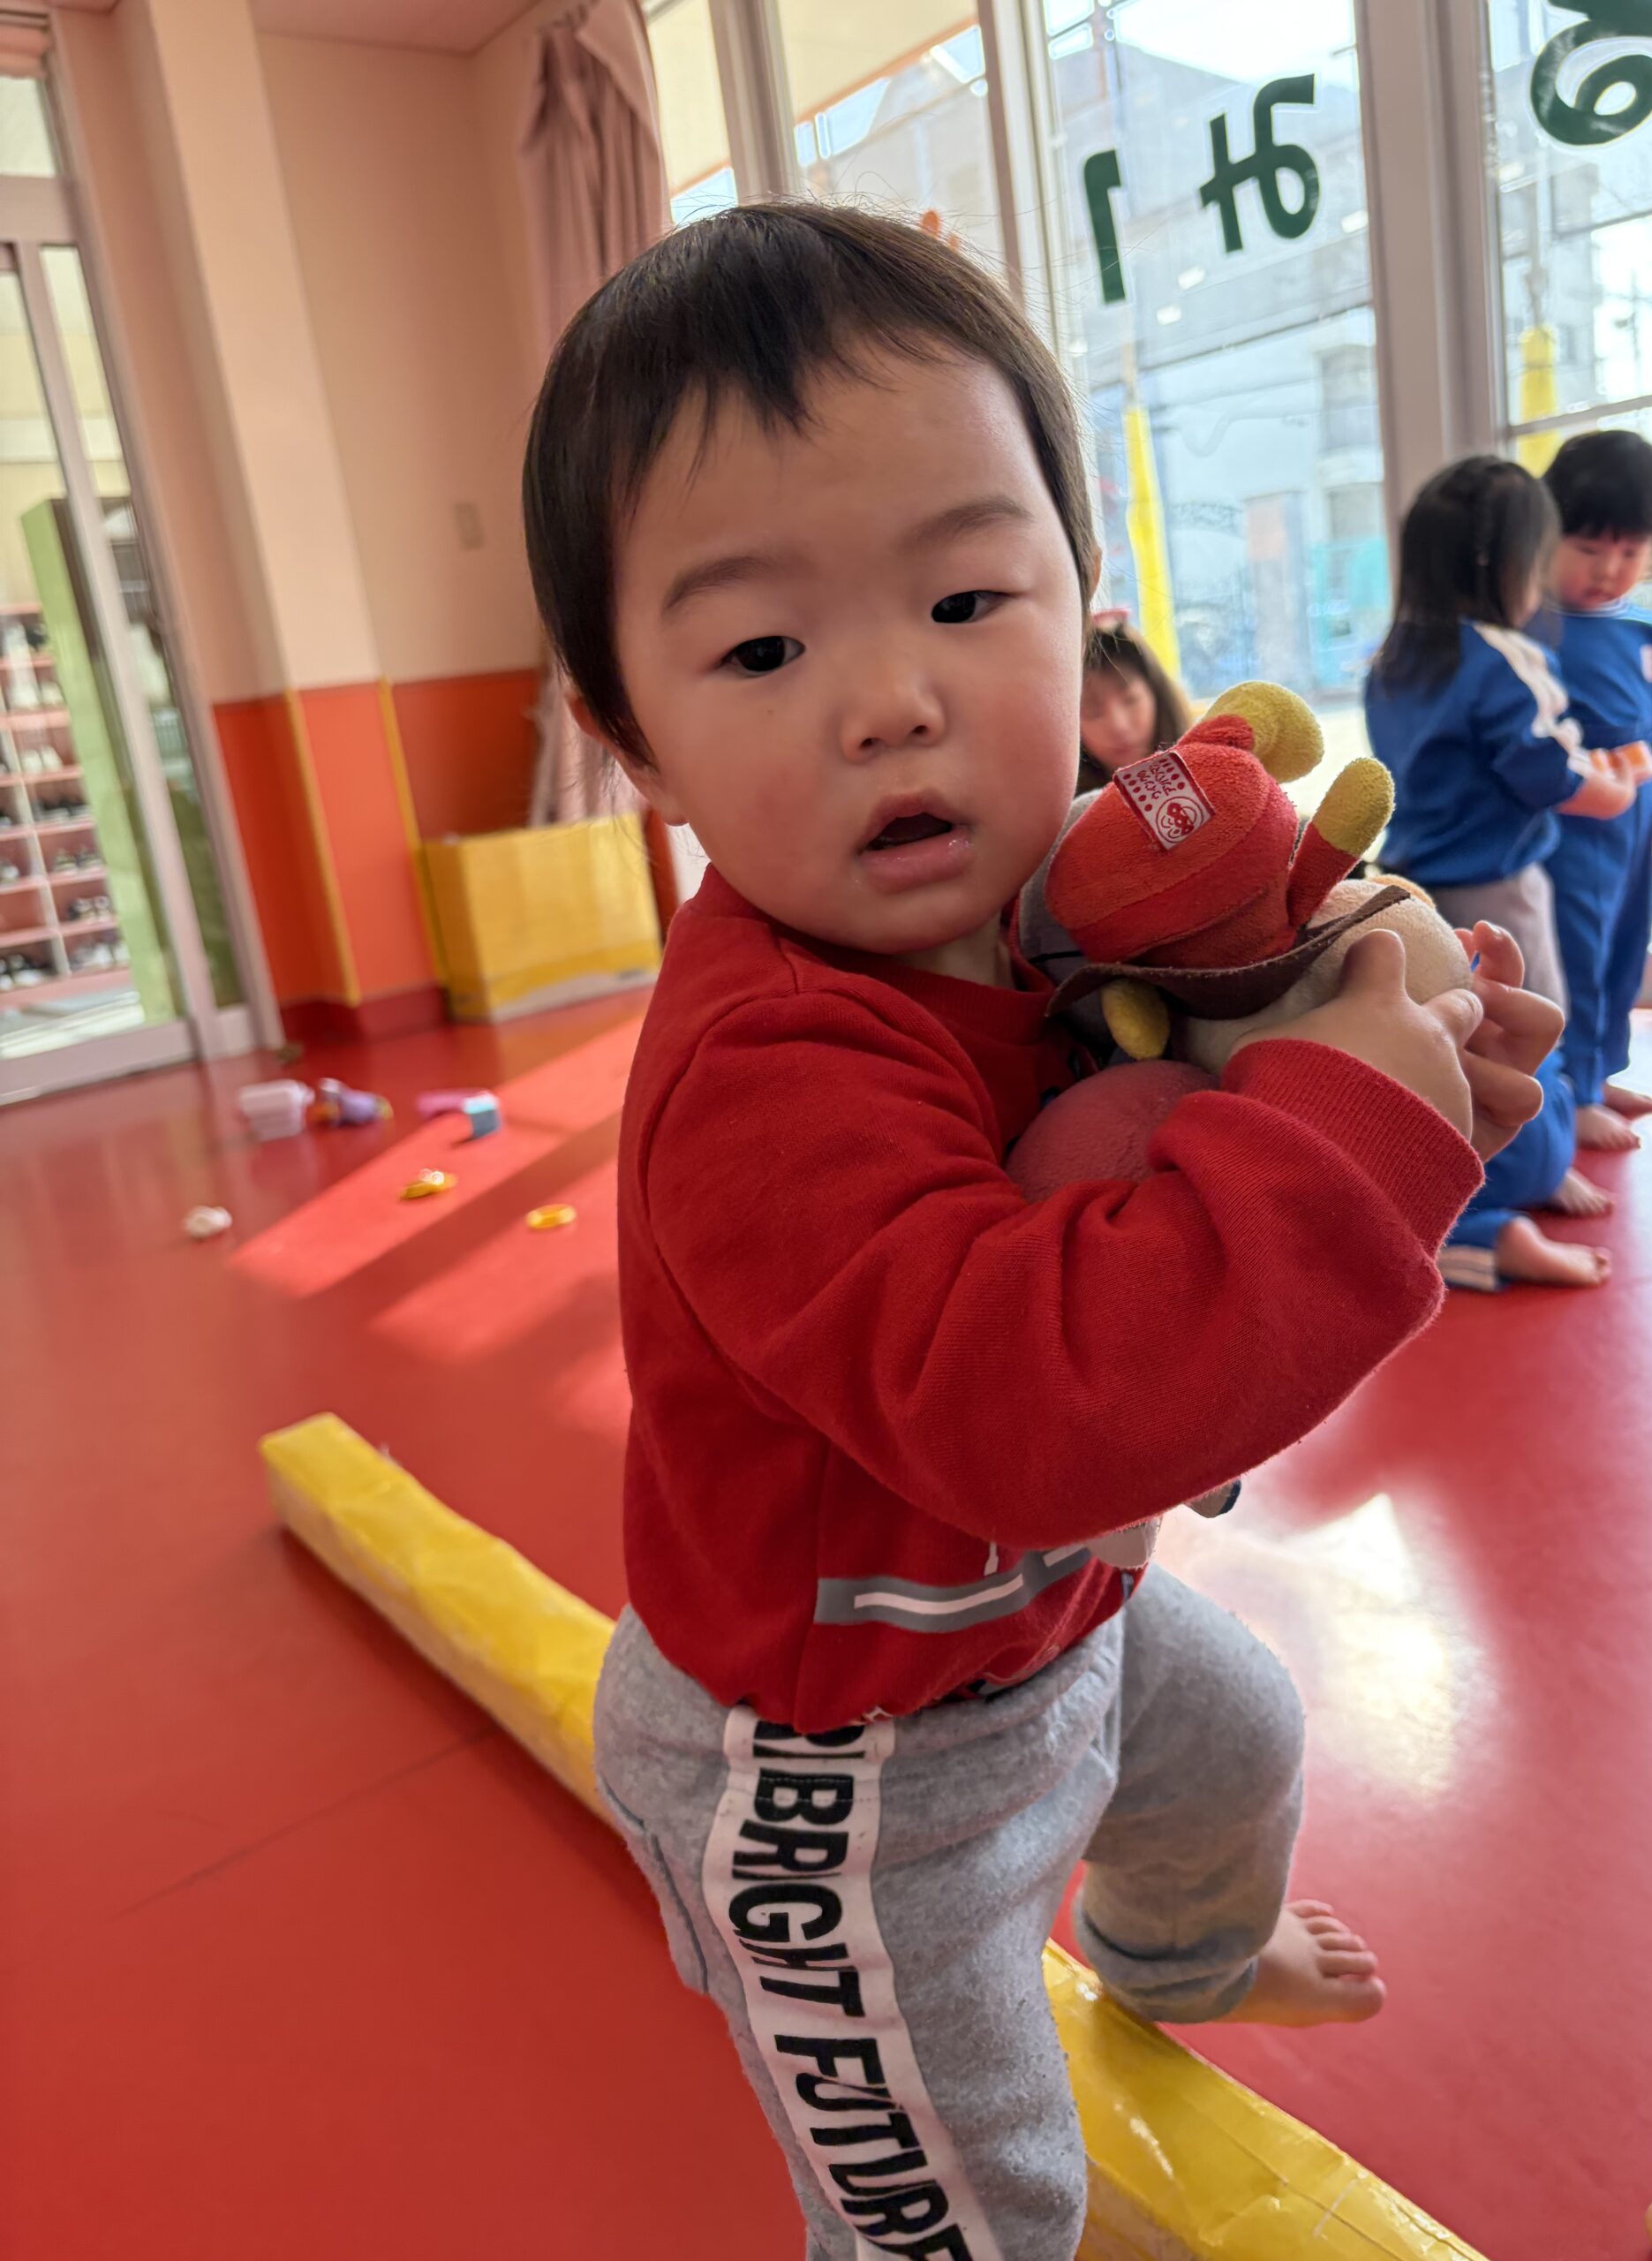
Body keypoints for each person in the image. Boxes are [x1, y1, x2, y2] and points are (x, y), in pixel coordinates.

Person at [523, 205, 1555, 2260]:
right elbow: (1042, 1412)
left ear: (1084, 613)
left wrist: (1406, 1061)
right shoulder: (766, 1071)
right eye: (761, 649)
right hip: (840, 1768)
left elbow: (1199, 1069)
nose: (890, 701)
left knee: (1238, 1729)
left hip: (1034, 1617)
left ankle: (1180, 1951)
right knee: (969, 2207)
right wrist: (1346, 1133)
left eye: (966, 596)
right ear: (633, 738)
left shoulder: (1032, 909)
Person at [1367, 455, 1632, 1289]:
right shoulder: (1502, 654)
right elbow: (1547, 771)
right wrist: (1615, 788)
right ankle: (1517, 1194)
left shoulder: (1394, 660)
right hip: (1496, 889)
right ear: (1507, 564)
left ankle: (1485, 1189)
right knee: (1529, 1036)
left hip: (1413, 890)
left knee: (1453, 1052)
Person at [1540, 429, 1652, 1151]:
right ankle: (1567, 1093)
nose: (1609, 570)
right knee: (1572, 960)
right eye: (1588, 549)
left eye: (1630, 552)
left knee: (1624, 954)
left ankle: (1600, 1073)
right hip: (1567, 832)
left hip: (1636, 833)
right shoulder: (1530, 629)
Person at [1077, 608, 1190, 789]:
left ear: (1156, 691)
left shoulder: (1205, 766)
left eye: (1131, 699)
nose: (1119, 726)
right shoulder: (1069, 805)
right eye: (1093, 712)